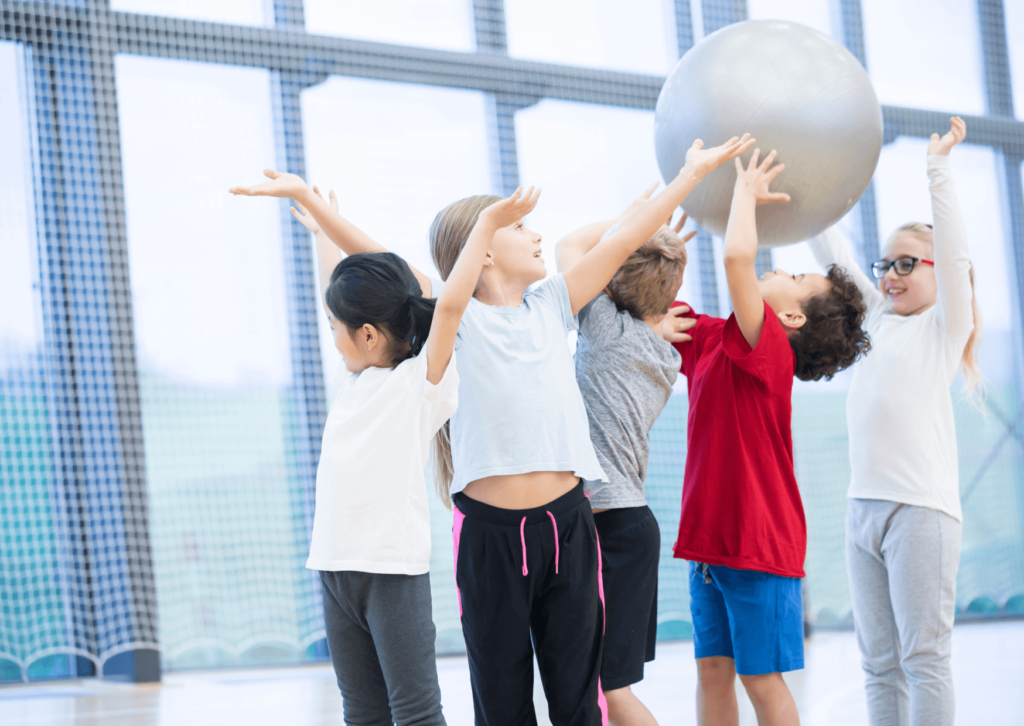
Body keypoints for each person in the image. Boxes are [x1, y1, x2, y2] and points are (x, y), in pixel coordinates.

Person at [426, 134, 754, 726]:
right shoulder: (457, 320)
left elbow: (625, 239)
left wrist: (688, 177)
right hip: (490, 538)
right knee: (501, 704)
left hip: (570, 526)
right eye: (519, 227)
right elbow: (447, 302)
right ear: (486, 251)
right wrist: (485, 225)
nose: (537, 235)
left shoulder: (554, 303)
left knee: (581, 701)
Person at [230, 175, 539, 726]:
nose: (332, 335)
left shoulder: (421, 384)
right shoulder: (358, 382)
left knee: (416, 713)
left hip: (390, 572)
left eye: (335, 327)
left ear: (369, 335)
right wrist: (318, 218)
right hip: (333, 567)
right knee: (363, 714)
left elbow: (448, 309)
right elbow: (337, 281)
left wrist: (487, 225)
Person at [671, 149, 871, 726]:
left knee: (762, 679)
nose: (779, 270)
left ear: (793, 321)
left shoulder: (769, 354)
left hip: (758, 545)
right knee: (712, 673)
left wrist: (746, 191)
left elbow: (737, 254)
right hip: (709, 543)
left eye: (794, 277)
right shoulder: (718, 338)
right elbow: (661, 315)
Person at [808, 117, 981, 726]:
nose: (891, 274)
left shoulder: (942, 330)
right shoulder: (876, 320)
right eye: (887, 263)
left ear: (938, 273)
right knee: (877, 664)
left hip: (920, 514)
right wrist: (807, 186)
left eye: (909, 263)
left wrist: (938, 169)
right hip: (863, 512)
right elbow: (830, 250)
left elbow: (956, 255)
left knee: (924, 659)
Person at [555, 195, 696, 726]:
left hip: (608, 524)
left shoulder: (608, 330)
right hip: (630, 524)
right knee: (601, 685)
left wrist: (636, 225)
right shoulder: (664, 349)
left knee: (609, 688)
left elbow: (570, 245)